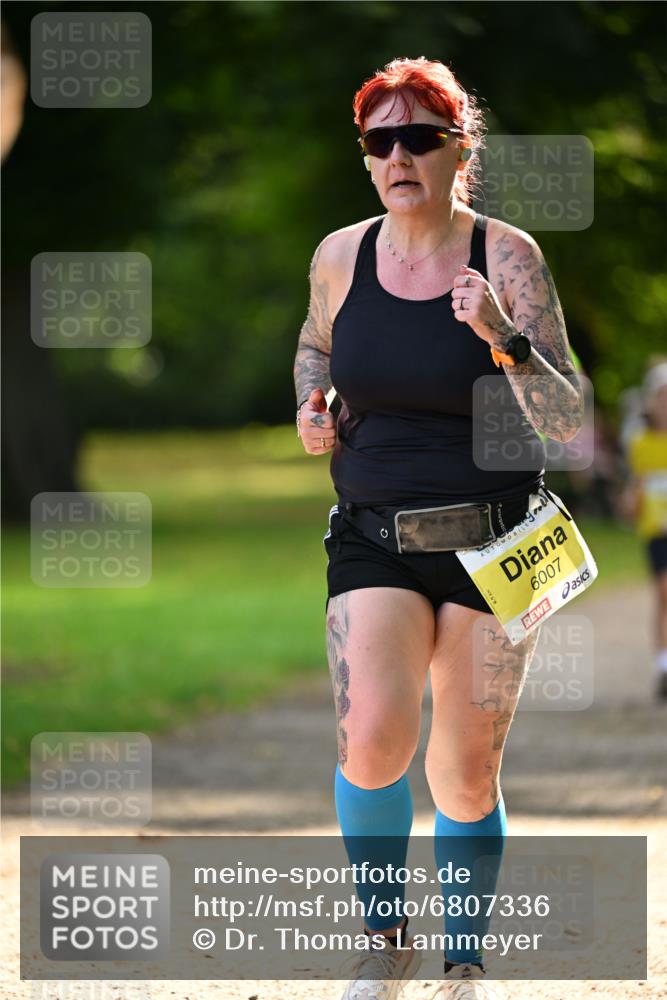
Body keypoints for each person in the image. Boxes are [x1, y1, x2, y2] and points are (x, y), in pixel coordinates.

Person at [293, 56, 583, 1000]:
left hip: (492, 543)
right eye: (381, 140)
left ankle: (465, 962)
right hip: (372, 530)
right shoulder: (341, 254)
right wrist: (310, 399)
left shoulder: (507, 257)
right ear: (366, 156)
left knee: (463, 773)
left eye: (420, 135)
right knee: (372, 736)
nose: (398, 155)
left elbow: (568, 419)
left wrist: (502, 334)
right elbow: (316, 342)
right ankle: (385, 941)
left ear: (460, 148)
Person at [622, 360, 667, 701]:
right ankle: (663, 667)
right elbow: (636, 486)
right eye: (661, 396)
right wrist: (630, 500)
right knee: (664, 593)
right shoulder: (640, 443)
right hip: (656, 530)